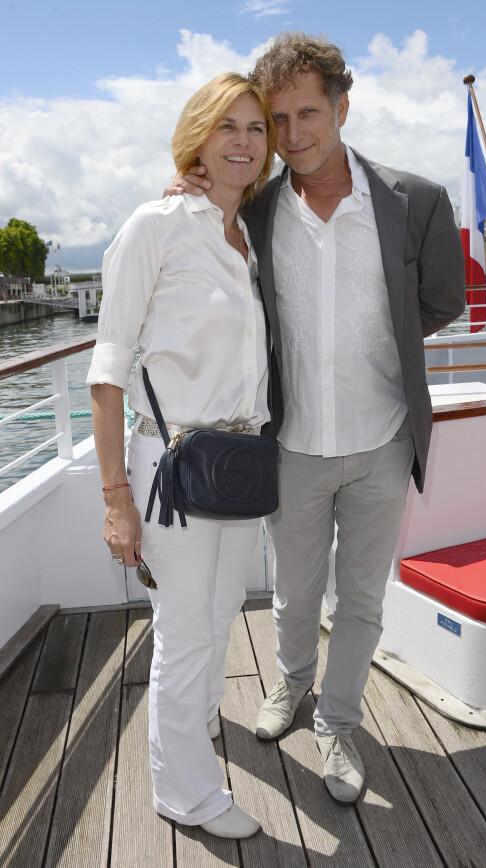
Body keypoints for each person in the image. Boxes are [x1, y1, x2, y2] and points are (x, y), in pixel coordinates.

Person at [166, 33, 466, 806]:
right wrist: (185, 190)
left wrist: (380, 345)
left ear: (341, 105)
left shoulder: (418, 200)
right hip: (291, 446)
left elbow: (443, 300)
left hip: (383, 440)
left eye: (308, 112)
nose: (292, 134)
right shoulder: (256, 209)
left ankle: (337, 723)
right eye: (278, 118)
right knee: (296, 595)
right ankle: (289, 685)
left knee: (361, 601)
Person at [87, 72, 277, 837]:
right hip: (170, 468)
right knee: (187, 631)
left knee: (220, 616)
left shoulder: (247, 236)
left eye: (255, 129)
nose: (242, 141)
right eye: (225, 125)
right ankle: (185, 794)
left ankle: (189, 740)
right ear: (197, 135)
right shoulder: (155, 226)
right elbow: (107, 373)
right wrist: (114, 499)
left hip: (238, 466)